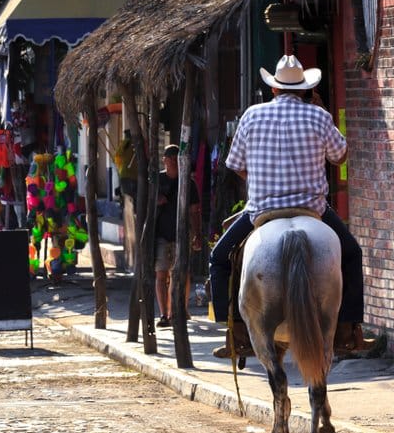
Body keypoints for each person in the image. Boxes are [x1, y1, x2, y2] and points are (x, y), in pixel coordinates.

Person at [208, 54, 374, 357]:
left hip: (261, 211)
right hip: (312, 210)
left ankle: (234, 331)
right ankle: (350, 330)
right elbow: (340, 157)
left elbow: (235, 164)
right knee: (351, 254)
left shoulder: (252, 115)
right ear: (304, 90)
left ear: (274, 88)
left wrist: (260, 177)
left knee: (219, 259)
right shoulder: (319, 116)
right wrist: (324, 115)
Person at [154, 144, 202, 328]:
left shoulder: (188, 184)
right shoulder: (157, 181)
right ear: (164, 160)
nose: (173, 162)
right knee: (161, 274)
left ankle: (178, 310)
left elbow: (194, 211)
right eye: (170, 158)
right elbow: (144, 204)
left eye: (176, 158)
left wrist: (197, 233)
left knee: (180, 274)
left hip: (181, 235)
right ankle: (163, 314)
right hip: (160, 234)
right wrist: (156, 201)